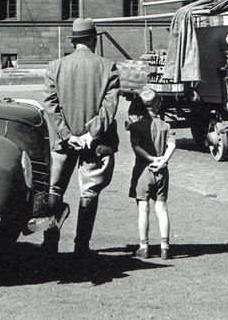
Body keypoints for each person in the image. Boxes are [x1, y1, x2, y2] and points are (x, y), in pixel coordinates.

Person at [41, 17, 120, 258]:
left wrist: (67, 134)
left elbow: (50, 105)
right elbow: (110, 107)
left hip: (63, 143)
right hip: (96, 144)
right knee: (90, 192)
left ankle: (50, 242)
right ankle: (81, 247)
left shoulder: (55, 67)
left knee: (55, 189)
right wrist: (90, 133)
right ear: (93, 39)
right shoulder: (108, 67)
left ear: (74, 41)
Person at [127, 86, 176, 259]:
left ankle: (144, 246)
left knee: (143, 208)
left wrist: (151, 158)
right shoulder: (165, 125)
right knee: (162, 208)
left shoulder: (136, 127)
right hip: (161, 171)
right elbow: (172, 144)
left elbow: (136, 147)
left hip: (143, 169)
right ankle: (165, 247)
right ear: (158, 105)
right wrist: (163, 160)